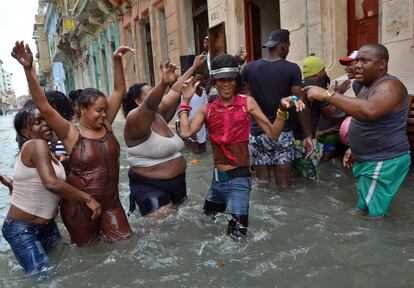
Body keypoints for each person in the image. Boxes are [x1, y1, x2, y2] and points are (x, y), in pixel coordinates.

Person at [12, 40, 134, 245]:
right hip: (79, 207)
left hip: (112, 204)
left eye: (105, 109)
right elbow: (43, 105)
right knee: (88, 255)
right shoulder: (69, 132)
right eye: (98, 110)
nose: (104, 114)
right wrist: (28, 69)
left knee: (126, 243)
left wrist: (117, 61)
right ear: (82, 109)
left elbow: (119, 91)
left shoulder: (106, 124)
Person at [178, 54, 304, 239]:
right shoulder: (207, 109)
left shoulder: (247, 103)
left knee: (237, 238)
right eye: (222, 80)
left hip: (239, 181)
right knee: (205, 222)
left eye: (231, 80)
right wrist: (186, 101)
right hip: (217, 182)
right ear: (215, 82)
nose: (227, 84)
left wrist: (282, 109)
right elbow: (185, 133)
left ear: (237, 81)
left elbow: (273, 134)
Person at [304, 43, 411, 217]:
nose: (357, 66)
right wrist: (353, 147)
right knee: (366, 206)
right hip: (370, 157)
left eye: (364, 61)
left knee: (373, 215)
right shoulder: (362, 86)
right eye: (356, 61)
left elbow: (368, 111)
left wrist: (328, 95)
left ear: (382, 64)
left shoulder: (390, 87)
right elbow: (365, 120)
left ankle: (374, 242)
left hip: (383, 159)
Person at [2, 104, 101, 279]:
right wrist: (88, 199)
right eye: (37, 122)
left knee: (61, 267)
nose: (46, 124)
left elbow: (38, 179)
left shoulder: (47, 150)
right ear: (26, 132)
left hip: (46, 226)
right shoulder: (36, 144)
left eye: (45, 119)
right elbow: (51, 183)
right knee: (45, 279)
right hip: (22, 229)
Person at [123, 54, 206, 218]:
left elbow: (175, 90)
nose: (158, 95)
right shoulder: (133, 120)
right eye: (151, 93)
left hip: (177, 184)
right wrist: (162, 83)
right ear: (138, 101)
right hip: (149, 186)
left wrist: (194, 66)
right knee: (157, 232)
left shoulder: (159, 114)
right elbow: (149, 104)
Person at [241, 29, 313, 188]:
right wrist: (308, 134)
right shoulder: (292, 69)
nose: (288, 50)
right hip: (283, 132)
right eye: (288, 46)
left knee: (262, 185)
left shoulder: (249, 68)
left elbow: (243, 98)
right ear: (283, 45)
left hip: (258, 131)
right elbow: (300, 104)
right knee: (284, 185)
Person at [291, 55, 336, 180]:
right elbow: (329, 114)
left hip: (290, 140)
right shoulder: (317, 89)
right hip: (308, 141)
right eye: (323, 70)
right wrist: (332, 95)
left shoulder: (296, 86)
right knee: (310, 181)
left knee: (295, 179)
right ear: (319, 73)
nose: (325, 73)